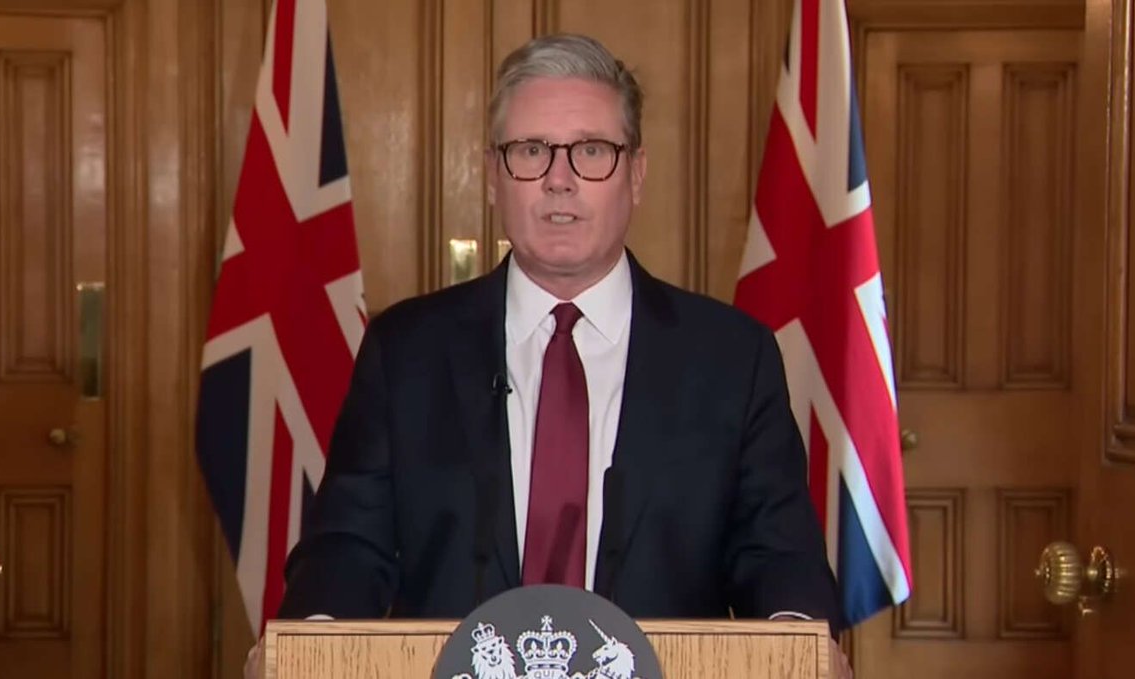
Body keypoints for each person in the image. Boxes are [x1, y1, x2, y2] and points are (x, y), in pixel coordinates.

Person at [252, 32, 850, 677]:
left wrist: (800, 649)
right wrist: (309, 647)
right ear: (492, 176)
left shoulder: (732, 358)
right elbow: (348, 545)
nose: (559, 180)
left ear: (636, 173)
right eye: (531, 151)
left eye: (591, 151)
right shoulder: (405, 352)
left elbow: (777, 553)